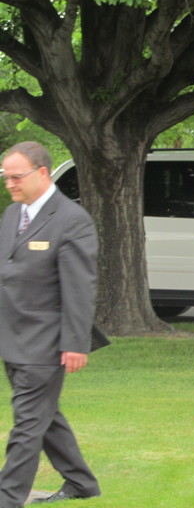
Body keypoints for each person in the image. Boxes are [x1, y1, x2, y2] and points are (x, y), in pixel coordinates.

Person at [0, 142, 101, 507]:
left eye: (16, 176)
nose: (10, 184)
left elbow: (79, 287)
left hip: (45, 342)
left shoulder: (72, 220)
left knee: (27, 424)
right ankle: (81, 483)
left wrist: (75, 342)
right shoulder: (13, 215)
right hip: (12, 337)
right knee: (45, 415)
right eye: (5, 177)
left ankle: (7, 497)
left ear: (42, 173)